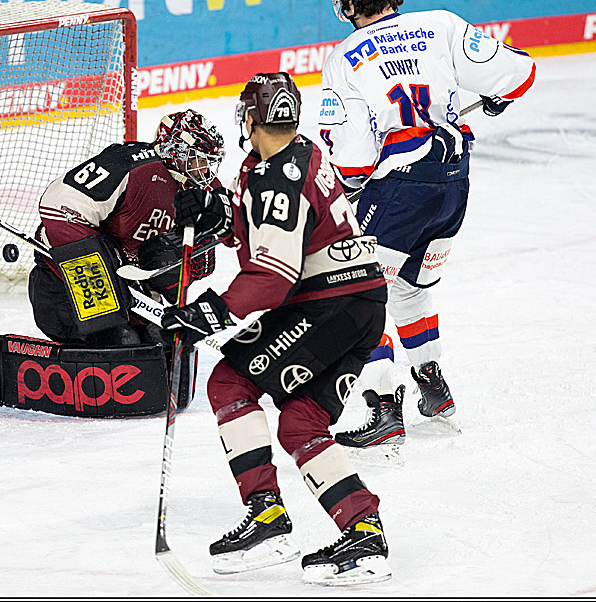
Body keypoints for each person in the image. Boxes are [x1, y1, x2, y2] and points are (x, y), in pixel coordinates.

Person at [160, 72, 393, 586]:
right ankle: (365, 533)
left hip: (326, 304)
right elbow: (266, 233)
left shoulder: (275, 177)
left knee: (228, 382)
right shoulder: (293, 155)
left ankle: (267, 517)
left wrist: (210, 313)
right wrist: (218, 213)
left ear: (250, 117)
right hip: (357, 304)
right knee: (300, 423)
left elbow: (273, 275)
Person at [319, 0, 537, 448]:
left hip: (400, 186)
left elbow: (352, 160)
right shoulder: (441, 25)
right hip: (454, 180)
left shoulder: (344, 57)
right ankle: (434, 391)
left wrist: (351, 191)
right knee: (410, 287)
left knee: (360, 291)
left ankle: (383, 407)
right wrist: (496, 93)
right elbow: (518, 73)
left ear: (346, 3)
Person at [28, 109, 224, 348]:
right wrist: (100, 267)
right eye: (198, 160)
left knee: (163, 343)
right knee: (122, 342)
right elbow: (58, 207)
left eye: (208, 163)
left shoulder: (205, 190)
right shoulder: (128, 165)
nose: (205, 171)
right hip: (62, 282)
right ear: (175, 152)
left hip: (130, 285)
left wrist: (185, 263)